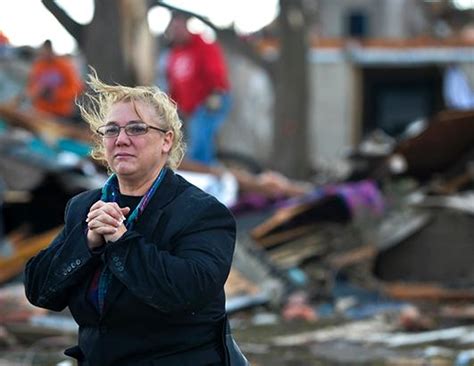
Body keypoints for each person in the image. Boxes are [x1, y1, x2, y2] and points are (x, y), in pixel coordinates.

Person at [24, 72, 237, 365]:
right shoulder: (84, 206)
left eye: (136, 129)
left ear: (166, 140)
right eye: (111, 130)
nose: (121, 139)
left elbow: (187, 293)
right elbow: (39, 290)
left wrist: (121, 241)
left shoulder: (202, 212)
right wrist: (87, 242)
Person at [166, 13, 231, 165]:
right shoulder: (174, 54)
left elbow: (215, 70)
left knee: (200, 141)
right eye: (173, 28)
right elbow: (174, 84)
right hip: (191, 108)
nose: (177, 31)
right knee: (193, 142)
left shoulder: (203, 46)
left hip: (211, 99)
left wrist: (216, 92)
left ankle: (205, 176)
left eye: (180, 27)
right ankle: (210, 169)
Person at [26, 40, 83, 119]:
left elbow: (76, 88)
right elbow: (30, 88)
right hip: (40, 112)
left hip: (60, 113)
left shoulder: (65, 66)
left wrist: (56, 94)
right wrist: (37, 92)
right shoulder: (38, 66)